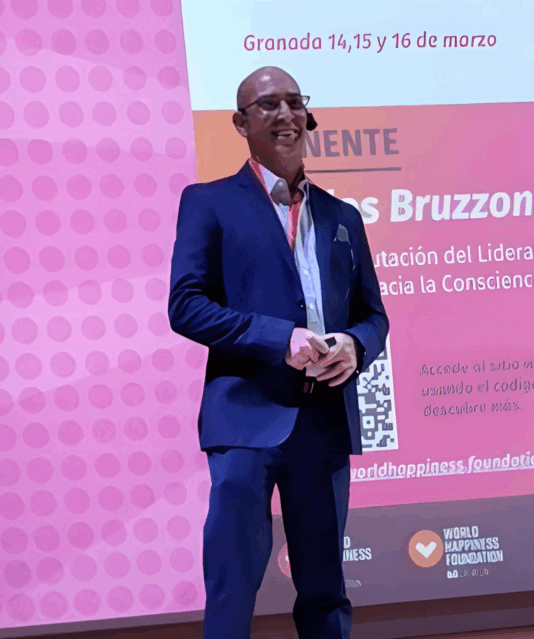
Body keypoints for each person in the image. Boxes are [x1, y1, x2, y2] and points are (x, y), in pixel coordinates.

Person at [168, 66, 389, 638]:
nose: (285, 114)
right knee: (233, 582)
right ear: (241, 123)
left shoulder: (343, 217)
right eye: (268, 105)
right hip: (245, 419)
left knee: (325, 588)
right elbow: (185, 306)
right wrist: (277, 337)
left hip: (324, 420)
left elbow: (374, 317)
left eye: (294, 102)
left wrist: (354, 346)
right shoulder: (208, 203)